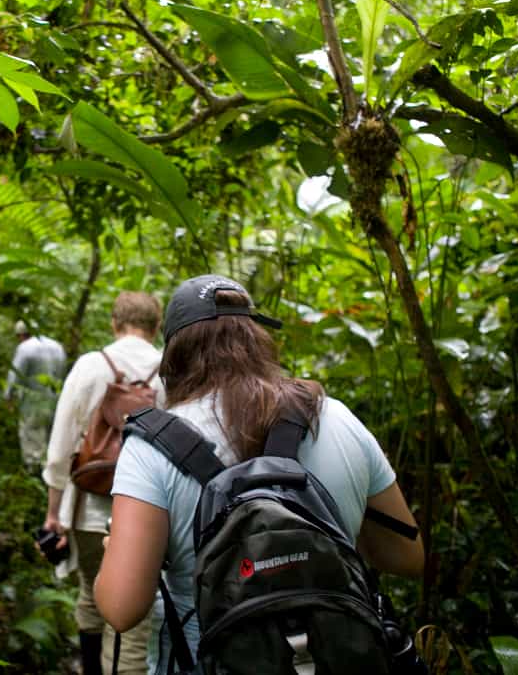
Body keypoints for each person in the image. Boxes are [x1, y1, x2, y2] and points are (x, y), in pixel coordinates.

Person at [95, 275, 424, 673]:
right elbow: (407, 556)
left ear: (174, 356)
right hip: (338, 658)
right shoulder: (334, 417)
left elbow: (121, 609)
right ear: (257, 337)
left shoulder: (151, 448)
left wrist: (118, 550)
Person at [41, 291, 165, 675]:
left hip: (87, 510)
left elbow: (60, 449)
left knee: (91, 595)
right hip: (147, 514)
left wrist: (53, 514)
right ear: (156, 326)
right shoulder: (170, 371)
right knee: (133, 619)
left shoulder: (91, 366)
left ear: (114, 323)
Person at [5, 321, 67, 469]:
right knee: (51, 438)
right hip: (55, 401)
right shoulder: (57, 347)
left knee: (32, 436)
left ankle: (34, 471)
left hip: (32, 403)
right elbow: (62, 375)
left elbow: (15, 375)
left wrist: (8, 396)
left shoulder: (24, 348)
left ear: (20, 335)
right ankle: (51, 471)